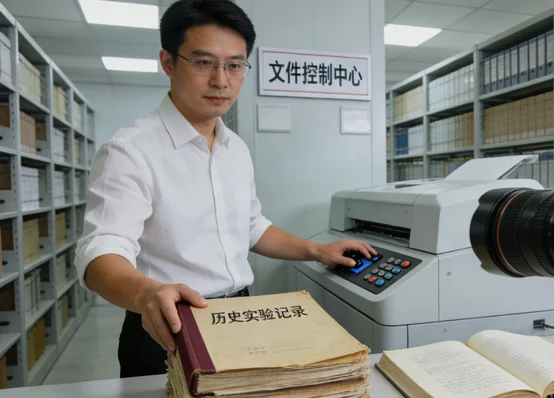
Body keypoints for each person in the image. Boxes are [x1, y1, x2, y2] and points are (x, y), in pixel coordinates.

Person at [73, 0, 376, 378]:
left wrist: (316, 250)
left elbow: (251, 226)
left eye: (234, 65)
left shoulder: (235, 148)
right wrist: (146, 293)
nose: (221, 80)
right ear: (168, 63)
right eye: (203, 63)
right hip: (168, 323)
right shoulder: (130, 150)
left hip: (240, 315)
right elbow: (101, 249)